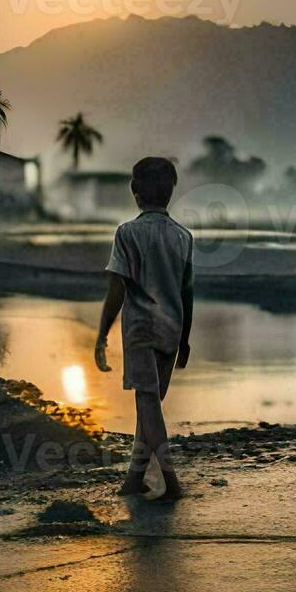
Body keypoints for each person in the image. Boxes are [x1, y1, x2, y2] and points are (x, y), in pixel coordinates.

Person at [93, 157, 195, 501]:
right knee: (148, 405)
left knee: (147, 403)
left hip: (140, 330)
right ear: (170, 193)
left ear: (135, 194)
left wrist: (102, 334)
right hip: (171, 329)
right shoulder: (184, 236)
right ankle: (134, 479)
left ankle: (171, 481)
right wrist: (185, 340)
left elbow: (117, 289)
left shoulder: (127, 233)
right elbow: (187, 291)